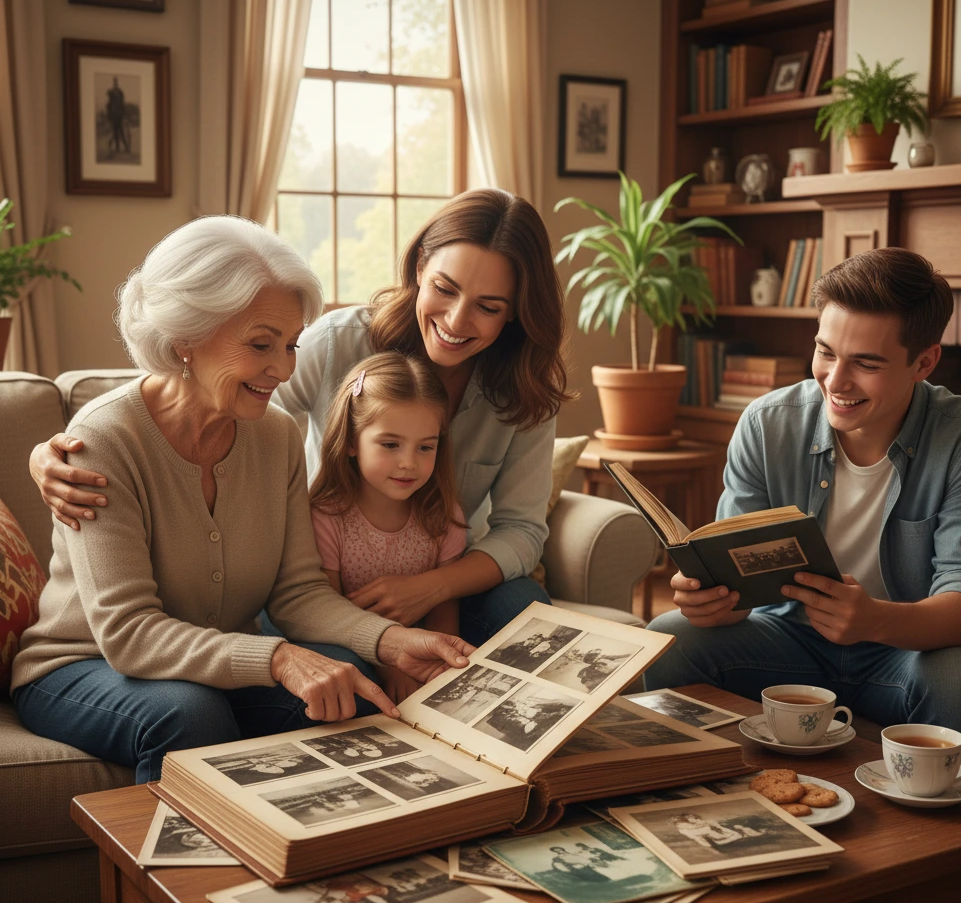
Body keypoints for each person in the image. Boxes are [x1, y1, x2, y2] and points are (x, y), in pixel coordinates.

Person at [10, 216, 471, 784]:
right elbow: (128, 634)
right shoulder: (101, 441)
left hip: (207, 669)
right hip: (81, 666)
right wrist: (278, 658)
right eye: (260, 345)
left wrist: (393, 642)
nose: (283, 368)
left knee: (353, 686)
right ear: (186, 336)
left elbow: (298, 591)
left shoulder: (277, 436)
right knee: (187, 712)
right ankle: (184, 872)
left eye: (291, 344)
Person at [29, 188, 573, 647]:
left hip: (449, 584)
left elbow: (523, 530)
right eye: (444, 289)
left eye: (489, 307)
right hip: (324, 581)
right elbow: (220, 396)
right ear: (419, 269)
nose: (456, 321)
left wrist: (435, 586)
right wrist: (63, 448)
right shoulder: (342, 342)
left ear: (518, 310)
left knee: (526, 610)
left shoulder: (525, 387)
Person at [644, 247, 961, 780]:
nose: (835, 381)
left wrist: (876, 620)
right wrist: (712, 600)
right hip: (785, 639)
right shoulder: (767, 425)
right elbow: (738, 586)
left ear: (924, 362)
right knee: (668, 638)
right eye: (825, 351)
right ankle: (679, 792)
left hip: (903, 651)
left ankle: (956, 850)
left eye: (866, 362)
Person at [308, 352, 467, 702]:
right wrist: (390, 665)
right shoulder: (326, 516)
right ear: (351, 440)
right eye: (390, 444)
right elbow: (328, 610)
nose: (409, 463)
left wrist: (444, 669)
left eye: (425, 447)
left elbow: (444, 611)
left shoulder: (442, 515)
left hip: (422, 650)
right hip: (354, 646)